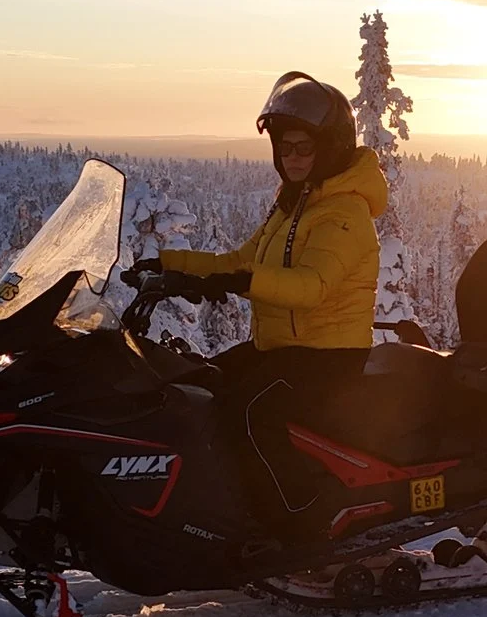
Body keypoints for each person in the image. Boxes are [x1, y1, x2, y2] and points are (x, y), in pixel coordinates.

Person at [133, 71, 389, 532]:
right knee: (201, 389)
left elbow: (311, 288)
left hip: (327, 356)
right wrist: (168, 264)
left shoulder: (344, 211)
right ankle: (224, 505)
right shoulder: (296, 204)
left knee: (252, 414)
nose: (291, 158)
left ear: (328, 148)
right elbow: (239, 260)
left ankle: (296, 519)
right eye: (284, 148)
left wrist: (245, 279)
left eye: (303, 148)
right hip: (282, 348)